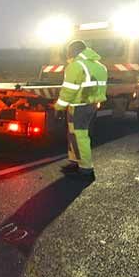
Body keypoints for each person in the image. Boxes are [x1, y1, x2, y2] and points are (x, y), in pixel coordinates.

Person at [54, 40, 108, 180]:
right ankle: (76, 162)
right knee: (74, 134)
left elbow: (68, 90)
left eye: (69, 54)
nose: (68, 58)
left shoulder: (75, 66)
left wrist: (59, 107)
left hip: (79, 107)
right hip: (91, 105)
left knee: (79, 136)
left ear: (72, 52)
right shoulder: (100, 66)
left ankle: (86, 168)